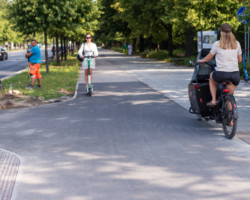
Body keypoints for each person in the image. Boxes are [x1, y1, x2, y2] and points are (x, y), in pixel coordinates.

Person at [198, 23, 242, 108]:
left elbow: (209, 57)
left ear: (221, 32)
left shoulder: (217, 44)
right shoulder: (237, 43)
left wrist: (202, 60)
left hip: (220, 74)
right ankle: (231, 120)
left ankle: (214, 100)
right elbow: (240, 60)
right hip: (235, 75)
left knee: (211, 76)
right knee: (230, 95)